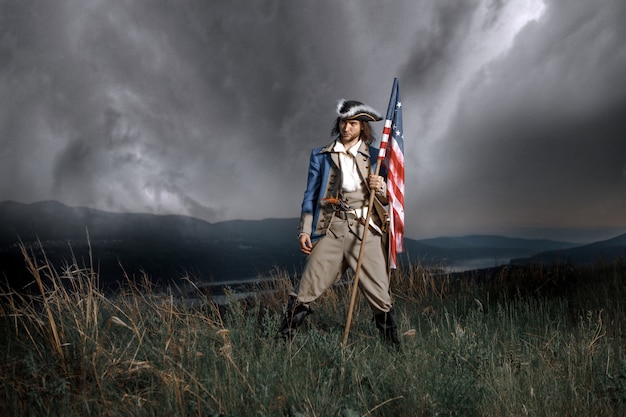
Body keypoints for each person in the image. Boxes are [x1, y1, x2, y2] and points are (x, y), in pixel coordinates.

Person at [278, 99, 399, 346]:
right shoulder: (320, 156)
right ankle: (281, 345)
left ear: (362, 127)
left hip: (366, 229)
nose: (346, 128)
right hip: (331, 228)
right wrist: (305, 229)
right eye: (343, 122)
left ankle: (394, 351)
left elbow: (388, 200)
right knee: (306, 288)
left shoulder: (378, 157)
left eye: (352, 123)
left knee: (380, 294)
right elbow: (310, 195)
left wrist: (382, 187)